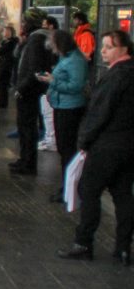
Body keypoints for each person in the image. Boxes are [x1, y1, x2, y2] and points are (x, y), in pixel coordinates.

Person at [56, 30, 134, 264]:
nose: (102, 51)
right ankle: (123, 248)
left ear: (124, 49)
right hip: (128, 146)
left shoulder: (116, 77)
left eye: (108, 47)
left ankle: (83, 243)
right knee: (123, 195)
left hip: (106, 145)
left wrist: (84, 141)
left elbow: (100, 113)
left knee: (89, 190)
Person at [37, 30, 88, 203]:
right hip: (61, 105)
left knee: (67, 148)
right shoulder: (67, 59)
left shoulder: (75, 61)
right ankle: (68, 185)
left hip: (70, 108)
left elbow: (76, 85)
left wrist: (54, 82)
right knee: (64, 148)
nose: (51, 48)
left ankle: (71, 187)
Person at [10, 18, 54, 175]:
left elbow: (33, 68)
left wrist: (21, 88)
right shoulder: (36, 39)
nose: (21, 26)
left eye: (23, 24)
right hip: (30, 89)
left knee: (26, 126)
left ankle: (27, 162)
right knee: (25, 126)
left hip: (28, 90)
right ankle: (24, 160)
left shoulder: (36, 40)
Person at [38, 17, 61, 151]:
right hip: (51, 84)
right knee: (47, 112)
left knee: (49, 113)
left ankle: (51, 140)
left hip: (56, 88)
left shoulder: (69, 60)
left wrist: (52, 80)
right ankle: (49, 138)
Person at [0, 26, 19, 108]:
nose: (4, 33)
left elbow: (1, 50)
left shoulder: (11, 43)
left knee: (3, 84)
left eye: (5, 32)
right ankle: (2, 102)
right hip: (5, 64)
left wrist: (0, 48)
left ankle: (3, 103)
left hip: (6, 66)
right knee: (3, 85)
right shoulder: (8, 42)